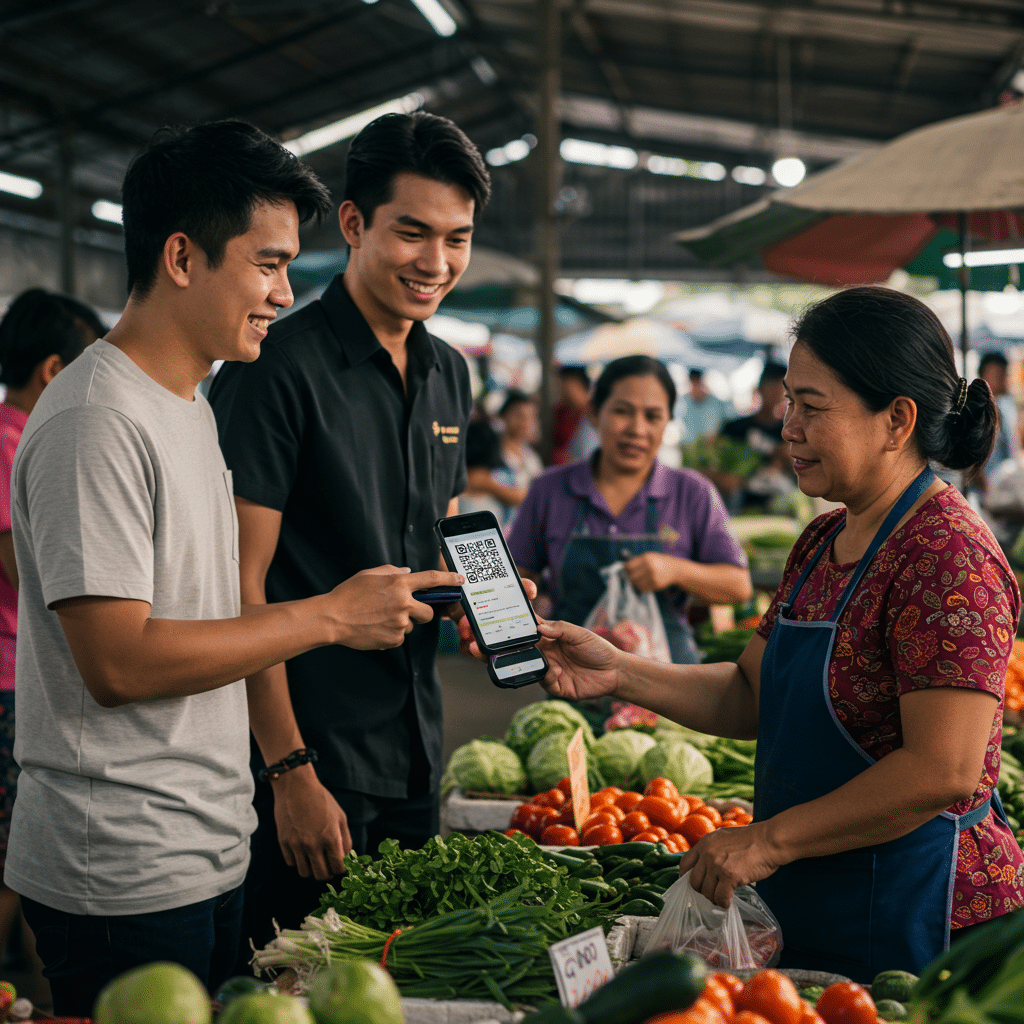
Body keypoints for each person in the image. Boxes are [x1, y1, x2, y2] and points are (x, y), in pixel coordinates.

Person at [5, 120, 463, 1014]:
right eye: (267, 264)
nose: (285, 293)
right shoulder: (95, 420)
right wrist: (330, 616)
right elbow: (118, 663)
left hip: (207, 839)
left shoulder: (185, 404)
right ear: (182, 256)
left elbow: (213, 610)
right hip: (124, 867)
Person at [523, 287, 1024, 981]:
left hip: (922, 914)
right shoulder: (823, 539)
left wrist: (767, 842)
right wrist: (618, 671)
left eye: (812, 407)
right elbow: (748, 693)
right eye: (790, 400)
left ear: (897, 420)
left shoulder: (947, 553)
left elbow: (942, 769)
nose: (787, 426)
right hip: (816, 891)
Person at [209, 111, 490, 959]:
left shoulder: (450, 373)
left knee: (392, 985)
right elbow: (239, 588)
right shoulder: (277, 370)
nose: (435, 263)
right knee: (296, 987)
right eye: (412, 232)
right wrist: (289, 772)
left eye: (457, 238)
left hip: (415, 745)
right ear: (355, 223)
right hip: (311, 759)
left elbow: (436, 529)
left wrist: (477, 591)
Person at [508, 355, 752, 672]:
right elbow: (518, 579)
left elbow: (739, 586)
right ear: (595, 413)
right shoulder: (550, 490)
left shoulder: (692, 492)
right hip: (573, 676)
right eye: (622, 412)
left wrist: (676, 570)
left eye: (653, 416)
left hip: (671, 685)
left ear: (667, 423)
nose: (637, 429)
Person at [0, 288, 105, 1004]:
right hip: (12, 673)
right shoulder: (18, 437)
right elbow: (23, 566)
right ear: (52, 370)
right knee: (10, 847)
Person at [714, 361, 793, 512]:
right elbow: (714, 465)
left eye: (782, 388)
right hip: (734, 506)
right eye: (773, 386)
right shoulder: (734, 428)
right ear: (760, 388)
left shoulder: (790, 431)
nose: (778, 392)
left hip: (778, 508)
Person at [459, 390, 542, 527]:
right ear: (504, 415)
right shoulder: (487, 448)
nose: (525, 422)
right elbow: (474, 478)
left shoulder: (532, 459)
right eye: (519, 415)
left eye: (531, 417)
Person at [552, 365, 598, 465]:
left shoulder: (593, 415)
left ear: (578, 384)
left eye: (564, 385)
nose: (560, 390)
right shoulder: (559, 412)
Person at [680, 368, 730, 442]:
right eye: (692, 383)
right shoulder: (682, 402)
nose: (695, 388)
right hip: (687, 447)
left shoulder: (717, 403)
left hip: (710, 448)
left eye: (697, 383)